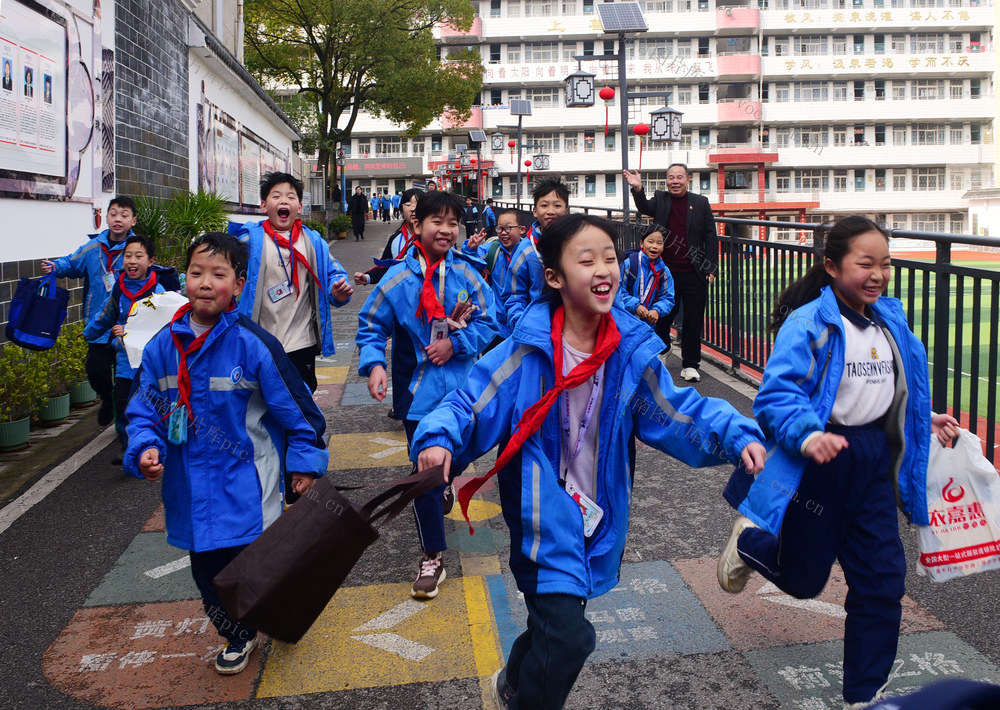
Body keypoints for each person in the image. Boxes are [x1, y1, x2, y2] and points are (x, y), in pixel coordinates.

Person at [413, 213, 765, 710]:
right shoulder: (527, 350)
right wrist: (440, 438)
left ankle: (509, 683)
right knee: (570, 637)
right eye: (587, 260)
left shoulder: (628, 352)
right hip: (541, 516)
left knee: (551, 625)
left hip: (595, 512)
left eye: (609, 258)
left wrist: (734, 432)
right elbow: (471, 403)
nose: (604, 269)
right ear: (554, 277)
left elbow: (675, 410)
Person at [717, 216, 960, 709]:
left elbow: (889, 388)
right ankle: (749, 543)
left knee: (883, 581)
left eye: (886, 263)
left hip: (870, 462)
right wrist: (807, 434)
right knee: (805, 580)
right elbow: (777, 394)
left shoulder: (889, 319)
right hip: (820, 462)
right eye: (865, 264)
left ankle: (864, 696)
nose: (878, 274)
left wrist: (923, 419)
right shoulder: (810, 323)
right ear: (832, 266)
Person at [125, 232, 328, 676]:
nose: (204, 282)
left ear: (237, 285)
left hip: (249, 486)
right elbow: (144, 410)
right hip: (190, 491)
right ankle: (237, 634)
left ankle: (274, 608)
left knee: (257, 566)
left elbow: (299, 413)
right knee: (208, 577)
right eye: (196, 272)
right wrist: (144, 448)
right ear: (184, 279)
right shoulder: (163, 347)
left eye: (218, 274)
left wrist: (305, 466)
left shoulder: (253, 345)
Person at [356, 190, 498, 601]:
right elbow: (370, 327)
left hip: (464, 396)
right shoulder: (398, 279)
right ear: (417, 226)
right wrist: (375, 364)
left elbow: (493, 320)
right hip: (419, 396)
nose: (447, 229)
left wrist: (459, 343)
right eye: (437, 221)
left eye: (454, 223)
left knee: (450, 465)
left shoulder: (469, 275)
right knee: (423, 479)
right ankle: (433, 554)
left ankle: (445, 478)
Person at [236, 172, 353, 394]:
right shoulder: (248, 242)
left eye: (291, 197)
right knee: (262, 404)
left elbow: (333, 274)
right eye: (276, 196)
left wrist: (337, 291)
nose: (283, 201)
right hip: (260, 342)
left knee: (301, 404)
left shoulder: (313, 242)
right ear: (263, 205)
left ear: (299, 207)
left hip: (302, 342)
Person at [42, 196, 138, 426]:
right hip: (99, 324)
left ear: (133, 221)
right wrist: (55, 267)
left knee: (128, 380)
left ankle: (127, 429)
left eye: (124, 215)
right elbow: (72, 263)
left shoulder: (137, 249)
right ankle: (107, 397)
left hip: (128, 326)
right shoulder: (93, 247)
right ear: (106, 217)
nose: (118, 219)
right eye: (113, 214)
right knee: (96, 371)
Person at [83, 235, 173, 462]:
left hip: (150, 361)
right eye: (128, 256)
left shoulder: (158, 291)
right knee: (123, 404)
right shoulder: (119, 289)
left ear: (151, 260)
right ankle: (129, 447)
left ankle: (152, 444)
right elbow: (105, 315)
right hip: (125, 360)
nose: (132, 261)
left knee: (151, 404)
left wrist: (128, 329)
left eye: (138, 256)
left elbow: (162, 325)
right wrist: (88, 333)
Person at [624, 164, 718, 383]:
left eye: (679, 177)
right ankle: (663, 351)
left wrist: (710, 267)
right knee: (663, 316)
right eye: (670, 177)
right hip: (665, 272)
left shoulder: (701, 203)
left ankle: (691, 365)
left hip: (694, 272)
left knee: (693, 320)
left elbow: (710, 236)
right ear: (667, 181)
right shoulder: (661, 199)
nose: (675, 181)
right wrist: (638, 188)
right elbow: (644, 207)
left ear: (688, 179)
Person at [503, 179, 570, 330]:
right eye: (544, 205)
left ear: (567, 210)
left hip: (575, 327)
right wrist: (523, 326)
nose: (551, 211)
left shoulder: (578, 243)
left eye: (557, 205)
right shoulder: (526, 249)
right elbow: (513, 295)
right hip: (538, 328)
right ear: (534, 211)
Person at [462, 207, 524, 343]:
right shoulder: (492, 249)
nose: (503, 233)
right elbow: (466, 263)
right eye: (500, 228)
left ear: (522, 229)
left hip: (521, 327)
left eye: (508, 228)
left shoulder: (529, 254)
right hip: (494, 327)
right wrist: (470, 248)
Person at [354, 187, 422, 286]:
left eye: (418, 205)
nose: (413, 208)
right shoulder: (395, 239)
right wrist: (367, 277)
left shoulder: (431, 238)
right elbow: (385, 267)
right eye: (408, 205)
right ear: (401, 210)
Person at [618, 227, 675, 341]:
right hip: (625, 322)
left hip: (648, 326)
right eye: (650, 241)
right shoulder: (629, 264)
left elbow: (668, 297)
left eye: (659, 243)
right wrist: (635, 305)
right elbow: (617, 290)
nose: (654, 246)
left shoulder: (664, 271)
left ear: (663, 247)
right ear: (641, 244)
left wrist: (657, 310)